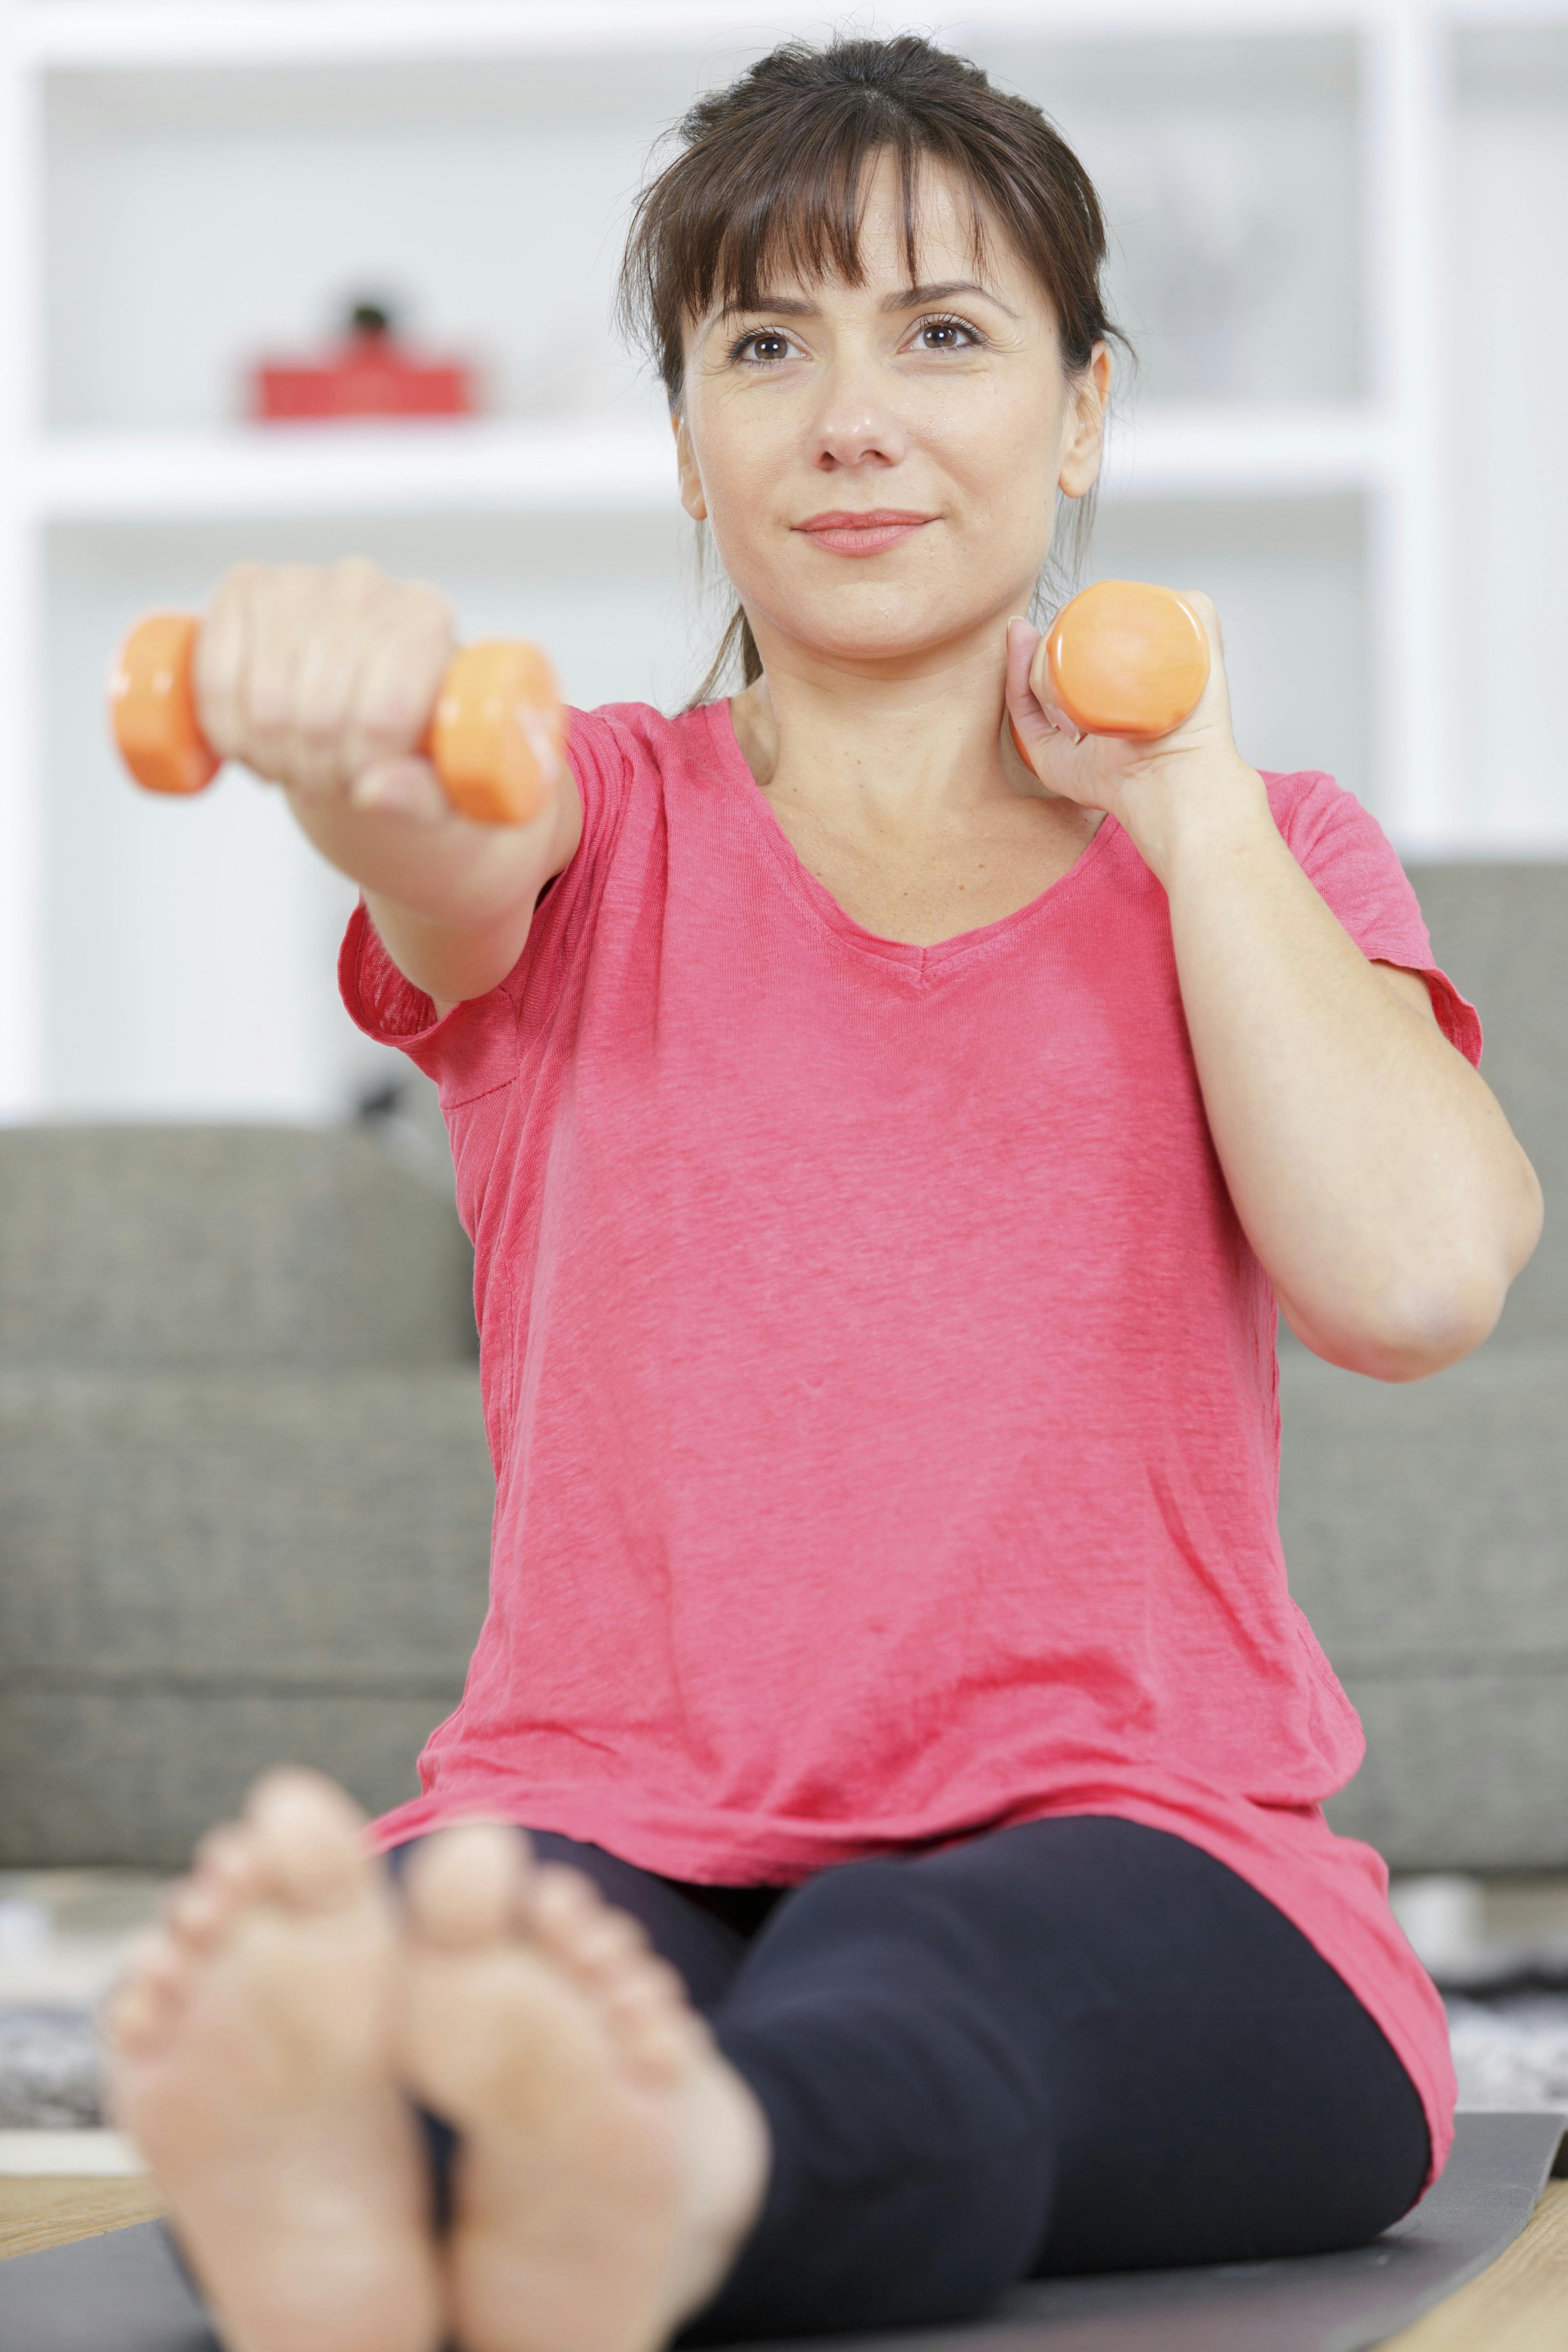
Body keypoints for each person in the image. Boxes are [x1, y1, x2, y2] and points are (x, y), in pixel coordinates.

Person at [100, 34, 1542, 2352]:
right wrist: (352, 744)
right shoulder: (585, 816)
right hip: (603, 1826)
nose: (849, 420)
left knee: (898, 1967)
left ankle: (646, 2196)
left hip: (1157, 1861)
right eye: (765, 346)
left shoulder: (1264, 858)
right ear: (688, 436)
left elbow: (1413, 1274)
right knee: (416, 1976)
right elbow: (444, 837)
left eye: (944, 337)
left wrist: (1183, 811)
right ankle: (411, 2189)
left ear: (1081, 414)